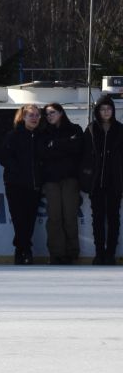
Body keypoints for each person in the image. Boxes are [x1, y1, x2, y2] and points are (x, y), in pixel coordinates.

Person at [0, 104, 45, 266]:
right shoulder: (13, 135)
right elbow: (4, 157)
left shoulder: (41, 136)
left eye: (37, 115)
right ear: (23, 117)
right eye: (31, 115)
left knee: (29, 220)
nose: (34, 118)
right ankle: (25, 250)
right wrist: (18, 171)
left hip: (34, 185)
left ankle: (22, 249)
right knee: (19, 219)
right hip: (15, 185)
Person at [39, 102, 85, 265]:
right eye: (47, 114)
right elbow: (43, 153)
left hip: (70, 178)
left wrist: (55, 145)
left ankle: (72, 253)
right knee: (54, 217)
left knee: (70, 216)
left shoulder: (75, 129)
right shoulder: (43, 133)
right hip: (51, 180)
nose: (49, 116)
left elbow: (78, 148)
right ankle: (56, 253)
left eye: (52, 112)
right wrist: (66, 144)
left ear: (61, 113)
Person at [82, 95, 123, 265]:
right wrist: (86, 176)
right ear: (97, 111)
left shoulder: (120, 129)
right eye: (102, 109)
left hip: (115, 182)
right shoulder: (91, 129)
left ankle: (110, 253)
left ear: (113, 111)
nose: (106, 112)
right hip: (96, 182)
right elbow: (84, 155)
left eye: (109, 108)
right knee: (97, 218)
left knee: (113, 218)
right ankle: (99, 253)